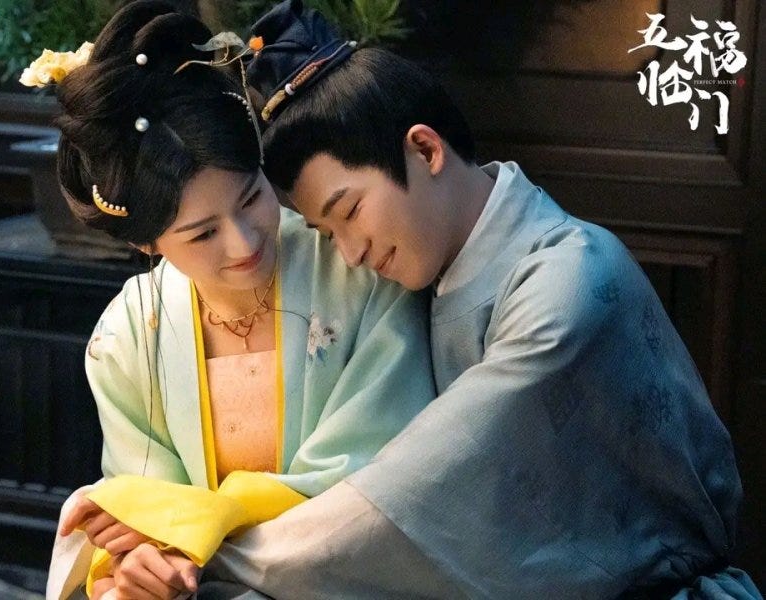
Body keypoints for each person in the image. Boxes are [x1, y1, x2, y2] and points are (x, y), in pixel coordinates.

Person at [194, 1, 764, 598]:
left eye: (351, 212)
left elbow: (412, 494)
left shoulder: (568, 282)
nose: (351, 253)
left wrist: (212, 557)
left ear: (425, 150)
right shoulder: (418, 275)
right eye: (328, 234)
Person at [31, 2, 437, 598]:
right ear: (147, 243)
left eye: (252, 198)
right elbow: (146, 505)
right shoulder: (129, 334)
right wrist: (148, 561)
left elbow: (371, 479)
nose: (244, 243)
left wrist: (195, 525)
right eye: (201, 234)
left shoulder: (358, 269)